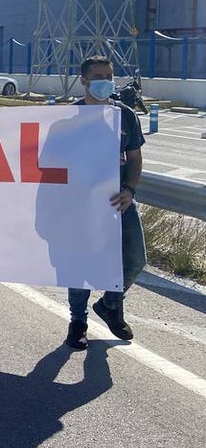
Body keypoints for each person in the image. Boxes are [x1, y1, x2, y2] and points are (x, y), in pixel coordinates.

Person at [65, 55, 147, 351]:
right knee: (82, 263)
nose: (106, 82)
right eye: (98, 77)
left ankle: (111, 304)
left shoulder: (124, 114)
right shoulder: (69, 117)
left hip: (119, 201)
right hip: (82, 204)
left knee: (136, 258)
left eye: (109, 76)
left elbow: (135, 157)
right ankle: (78, 322)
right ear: (83, 80)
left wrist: (130, 189)